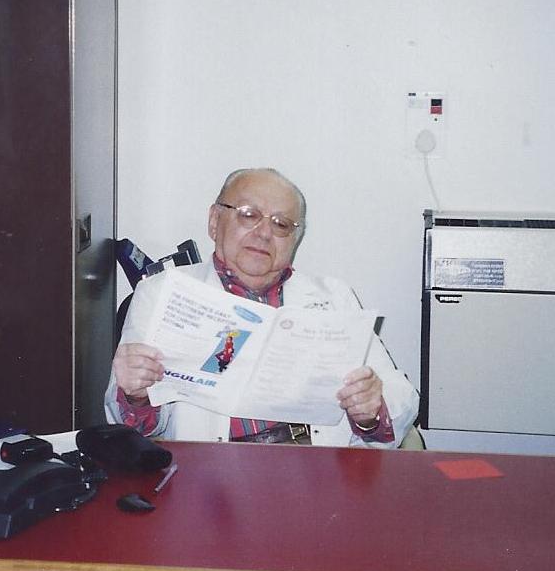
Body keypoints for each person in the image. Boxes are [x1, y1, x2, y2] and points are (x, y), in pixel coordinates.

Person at [105, 168, 419, 448]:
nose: (265, 233)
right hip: (212, 472)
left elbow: (400, 394)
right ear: (215, 221)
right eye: (248, 214)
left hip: (317, 464)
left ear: (294, 239)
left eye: (281, 224)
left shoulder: (334, 296)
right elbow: (134, 429)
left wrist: (371, 410)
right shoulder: (160, 293)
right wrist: (135, 395)